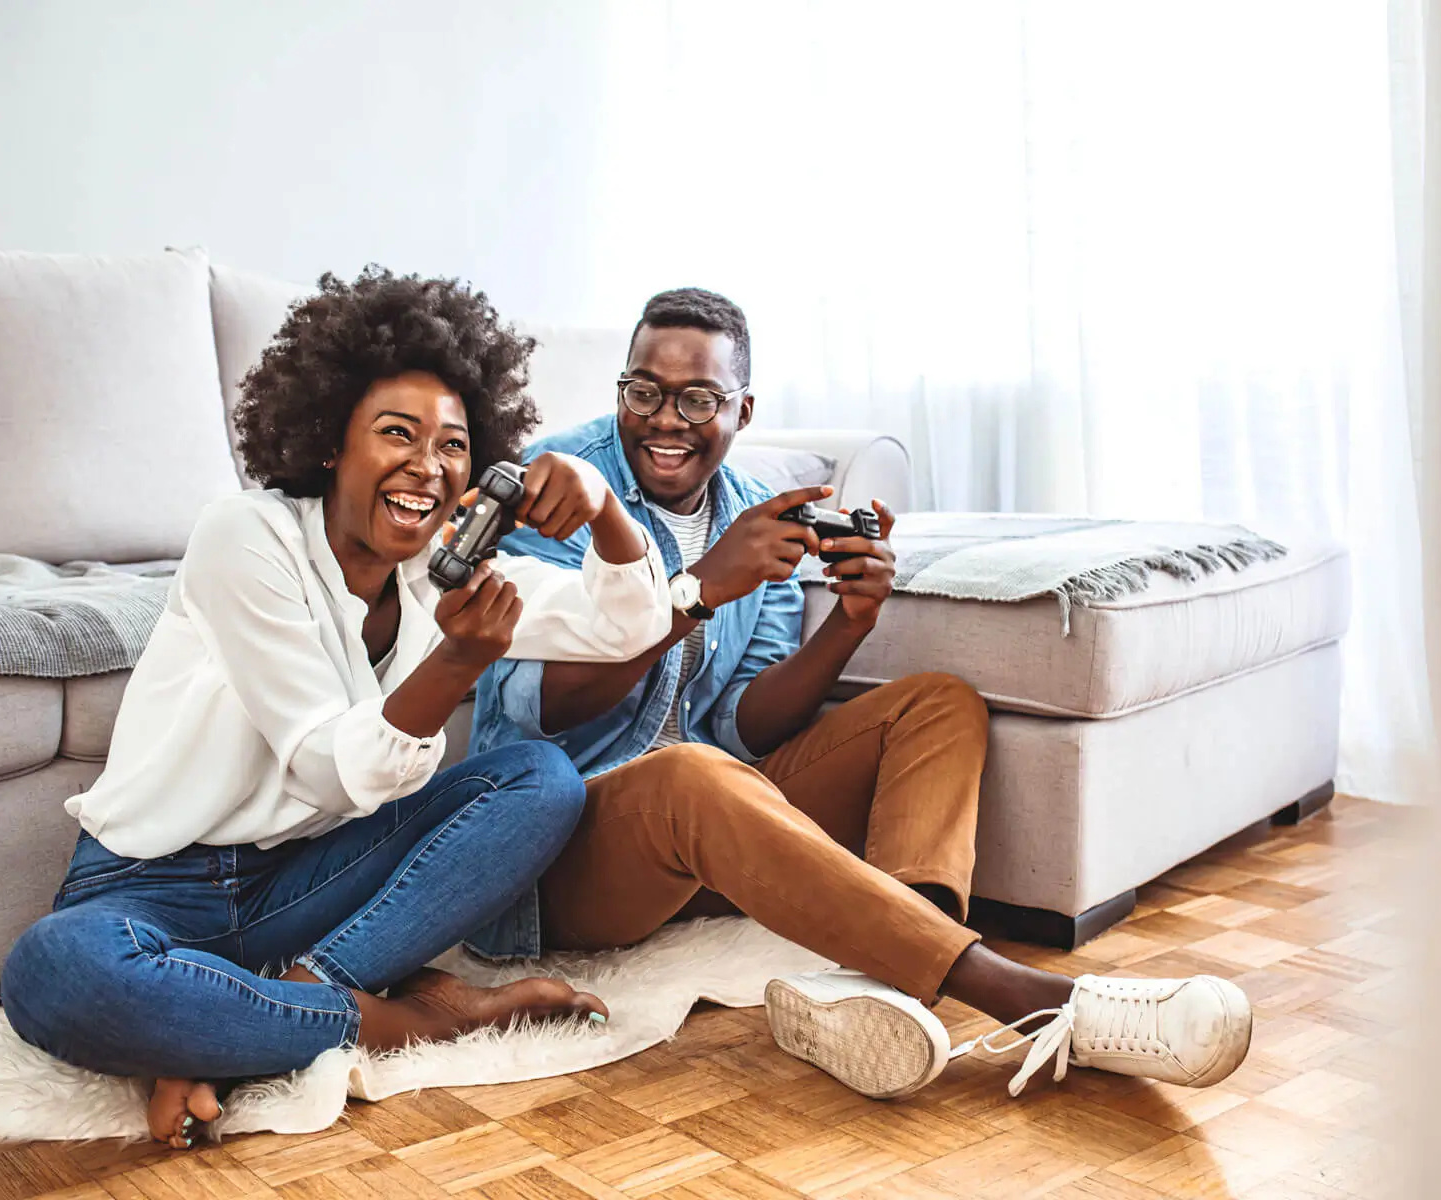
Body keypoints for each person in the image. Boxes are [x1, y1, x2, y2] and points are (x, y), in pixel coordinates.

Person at [469, 288, 1254, 1100]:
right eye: (643, 391)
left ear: (742, 409)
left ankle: (880, 983)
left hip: (710, 825)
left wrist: (850, 623)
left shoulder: (751, 513)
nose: (664, 419)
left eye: (698, 398)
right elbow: (539, 705)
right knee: (688, 776)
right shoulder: (563, 488)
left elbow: (745, 726)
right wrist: (698, 591)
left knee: (938, 702)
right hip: (564, 851)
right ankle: (1028, 1000)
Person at [0, 267, 674, 1148]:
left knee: (542, 781)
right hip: (147, 885)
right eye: (397, 433)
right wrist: (459, 662)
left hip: (303, 883)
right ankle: (412, 1024)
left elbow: (630, 625)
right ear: (330, 442)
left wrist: (606, 508)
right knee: (54, 975)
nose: (428, 468)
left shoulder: (445, 569)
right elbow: (325, 760)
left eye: (454, 446)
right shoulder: (245, 536)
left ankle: (267, 1013)